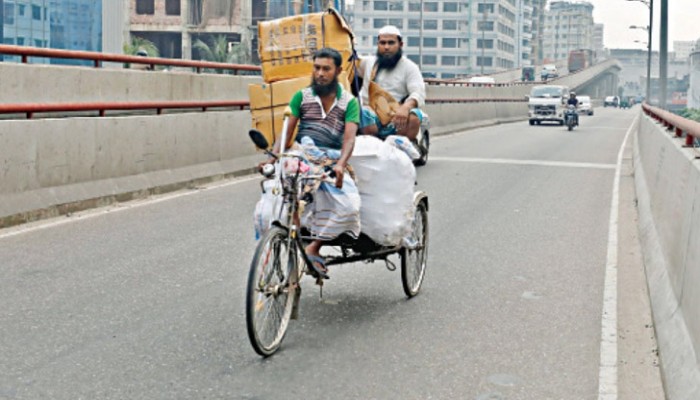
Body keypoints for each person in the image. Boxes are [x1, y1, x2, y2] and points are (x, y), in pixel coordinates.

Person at [260, 48, 361, 279]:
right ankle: (290, 235)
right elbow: (286, 134)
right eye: (317, 68)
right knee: (279, 199)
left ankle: (313, 248)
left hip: (331, 161)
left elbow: (349, 139)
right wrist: (272, 159)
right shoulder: (301, 97)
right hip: (301, 156)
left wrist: (341, 164)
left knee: (350, 207)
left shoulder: (349, 103)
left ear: (338, 71)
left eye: (326, 69)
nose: (320, 74)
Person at [357, 25, 426, 142]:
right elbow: (346, 63)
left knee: (415, 116)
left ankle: (402, 147)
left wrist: (405, 108)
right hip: (370, 116)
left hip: (397, 117)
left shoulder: (410, 67)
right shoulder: (368, 63)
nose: (386, 47)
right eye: (382, 43)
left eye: (391, 43)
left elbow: (418, 92)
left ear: (400, 45)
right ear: (378, 44)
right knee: (361, 112)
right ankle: (370, 145)